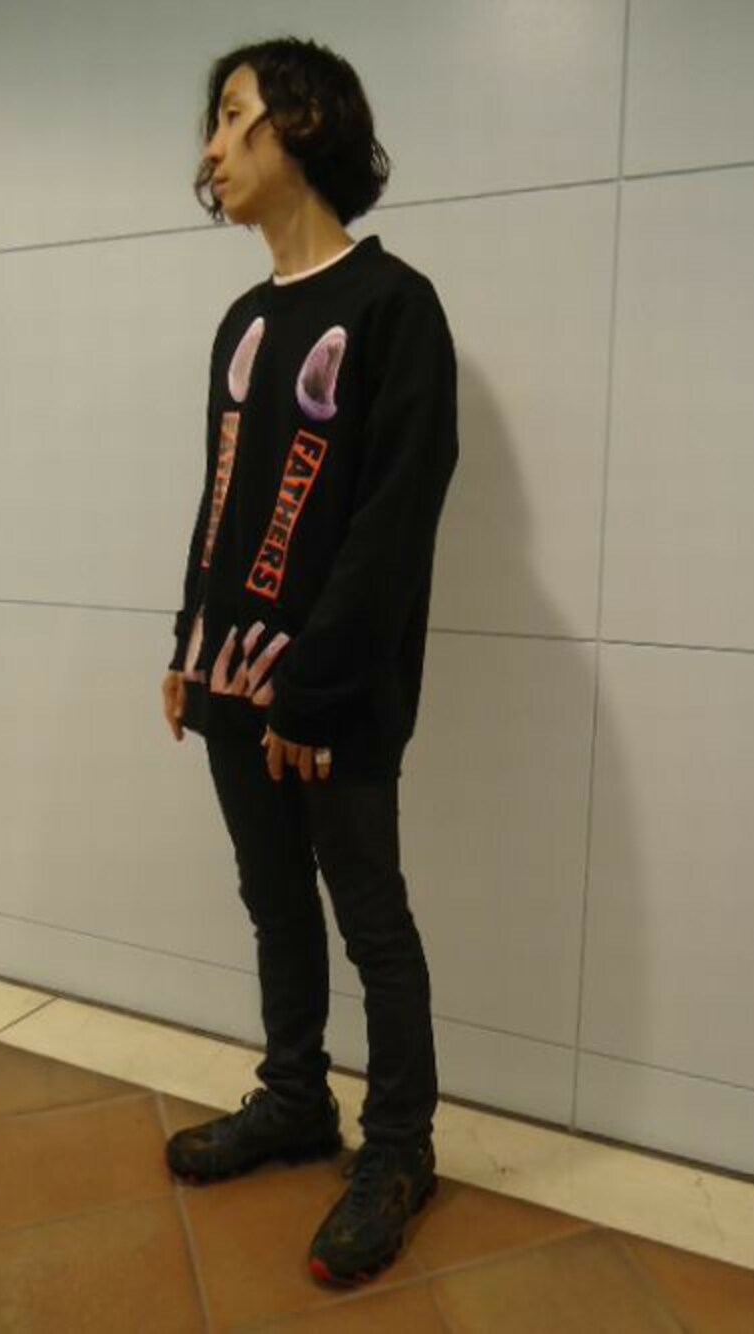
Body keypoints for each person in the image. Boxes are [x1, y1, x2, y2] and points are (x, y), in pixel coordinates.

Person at [160, 37, 458, 1286]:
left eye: (232, 116)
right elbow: (226, 497)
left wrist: (314, 689)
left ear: (306, 122)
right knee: (273, 900)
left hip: (334, 698)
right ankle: (295, 1095)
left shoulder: (394, 307)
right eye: (211, 123)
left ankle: (397, 1148)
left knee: (369, 918)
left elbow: (395, 518)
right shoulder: (244, 319)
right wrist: (190, 642)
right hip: (235, 679)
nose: (211, 148)